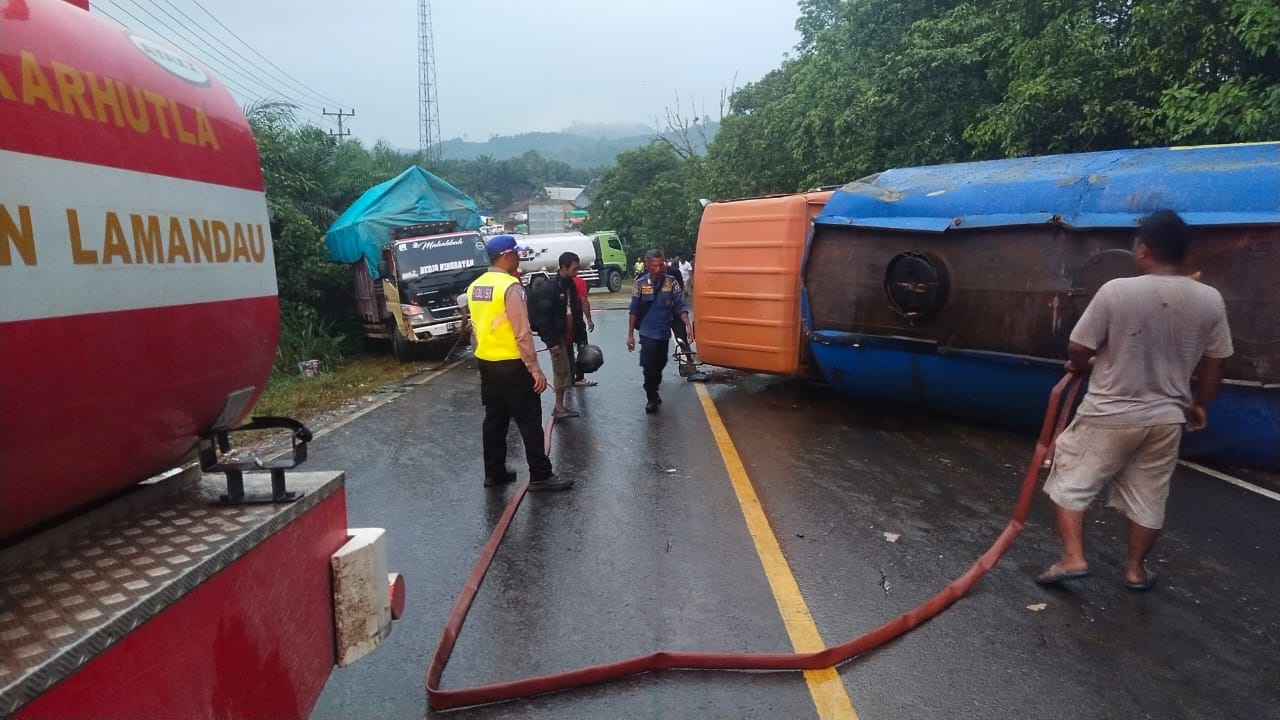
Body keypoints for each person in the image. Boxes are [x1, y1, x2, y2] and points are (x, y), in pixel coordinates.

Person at [1036, 210, 1231, 591]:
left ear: (1144, 249)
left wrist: (1084, 364)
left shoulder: (1117, 290)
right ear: (1183, 254)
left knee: (1070, 480)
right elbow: (1216, 362)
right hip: (1166, 418)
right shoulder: (1210, 300)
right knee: (1149, 496)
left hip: (1110, 412)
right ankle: (1135, 571)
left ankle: (1073, 558)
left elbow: (1078, 346)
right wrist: (1199, 403)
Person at [466, 235, 571, 491]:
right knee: (529, 419)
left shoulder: (475, 287)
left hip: (488, 363)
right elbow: (522, 332)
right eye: (516, 253)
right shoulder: (510, 287)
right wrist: (535, 369)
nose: (518, 257)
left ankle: (494, 472)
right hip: (513, 364)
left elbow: (475, 329)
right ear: (505, 256)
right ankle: (540, 475)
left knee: (495, 419)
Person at [627, 249, 693, 413]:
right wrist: (630, 335)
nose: (657, 268)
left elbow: (679, 305)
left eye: (660, 265)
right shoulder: (640, 284)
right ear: (647, 265)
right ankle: (651, 396)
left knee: (660, 363)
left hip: (663, 332)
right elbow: (634, 310)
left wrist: (687, 325)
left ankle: (654, 388)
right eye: (654, 265)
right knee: (649, 365)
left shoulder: (671, 282)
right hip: (647, 332)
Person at [534, 252, 587, 419]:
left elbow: (576, 311)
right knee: (561, 372)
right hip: (557, 338)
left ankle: (561, 405)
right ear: (563, 267)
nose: (577, 271)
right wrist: (551, 343)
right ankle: (558, 407)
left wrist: (581, 335)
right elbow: (542, 318)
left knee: (568, 371)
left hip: (569, 336)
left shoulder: (570, 285)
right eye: (574, 268)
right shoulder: (551, 288)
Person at [568, 270, 597, 387]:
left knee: (567, 349)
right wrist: (589, 319)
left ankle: (568, 377)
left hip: (563, 321)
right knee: (582, 348)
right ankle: (579, 377)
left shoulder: (558, 283)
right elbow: (584, 301)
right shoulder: (579, 282)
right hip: (576, 321)